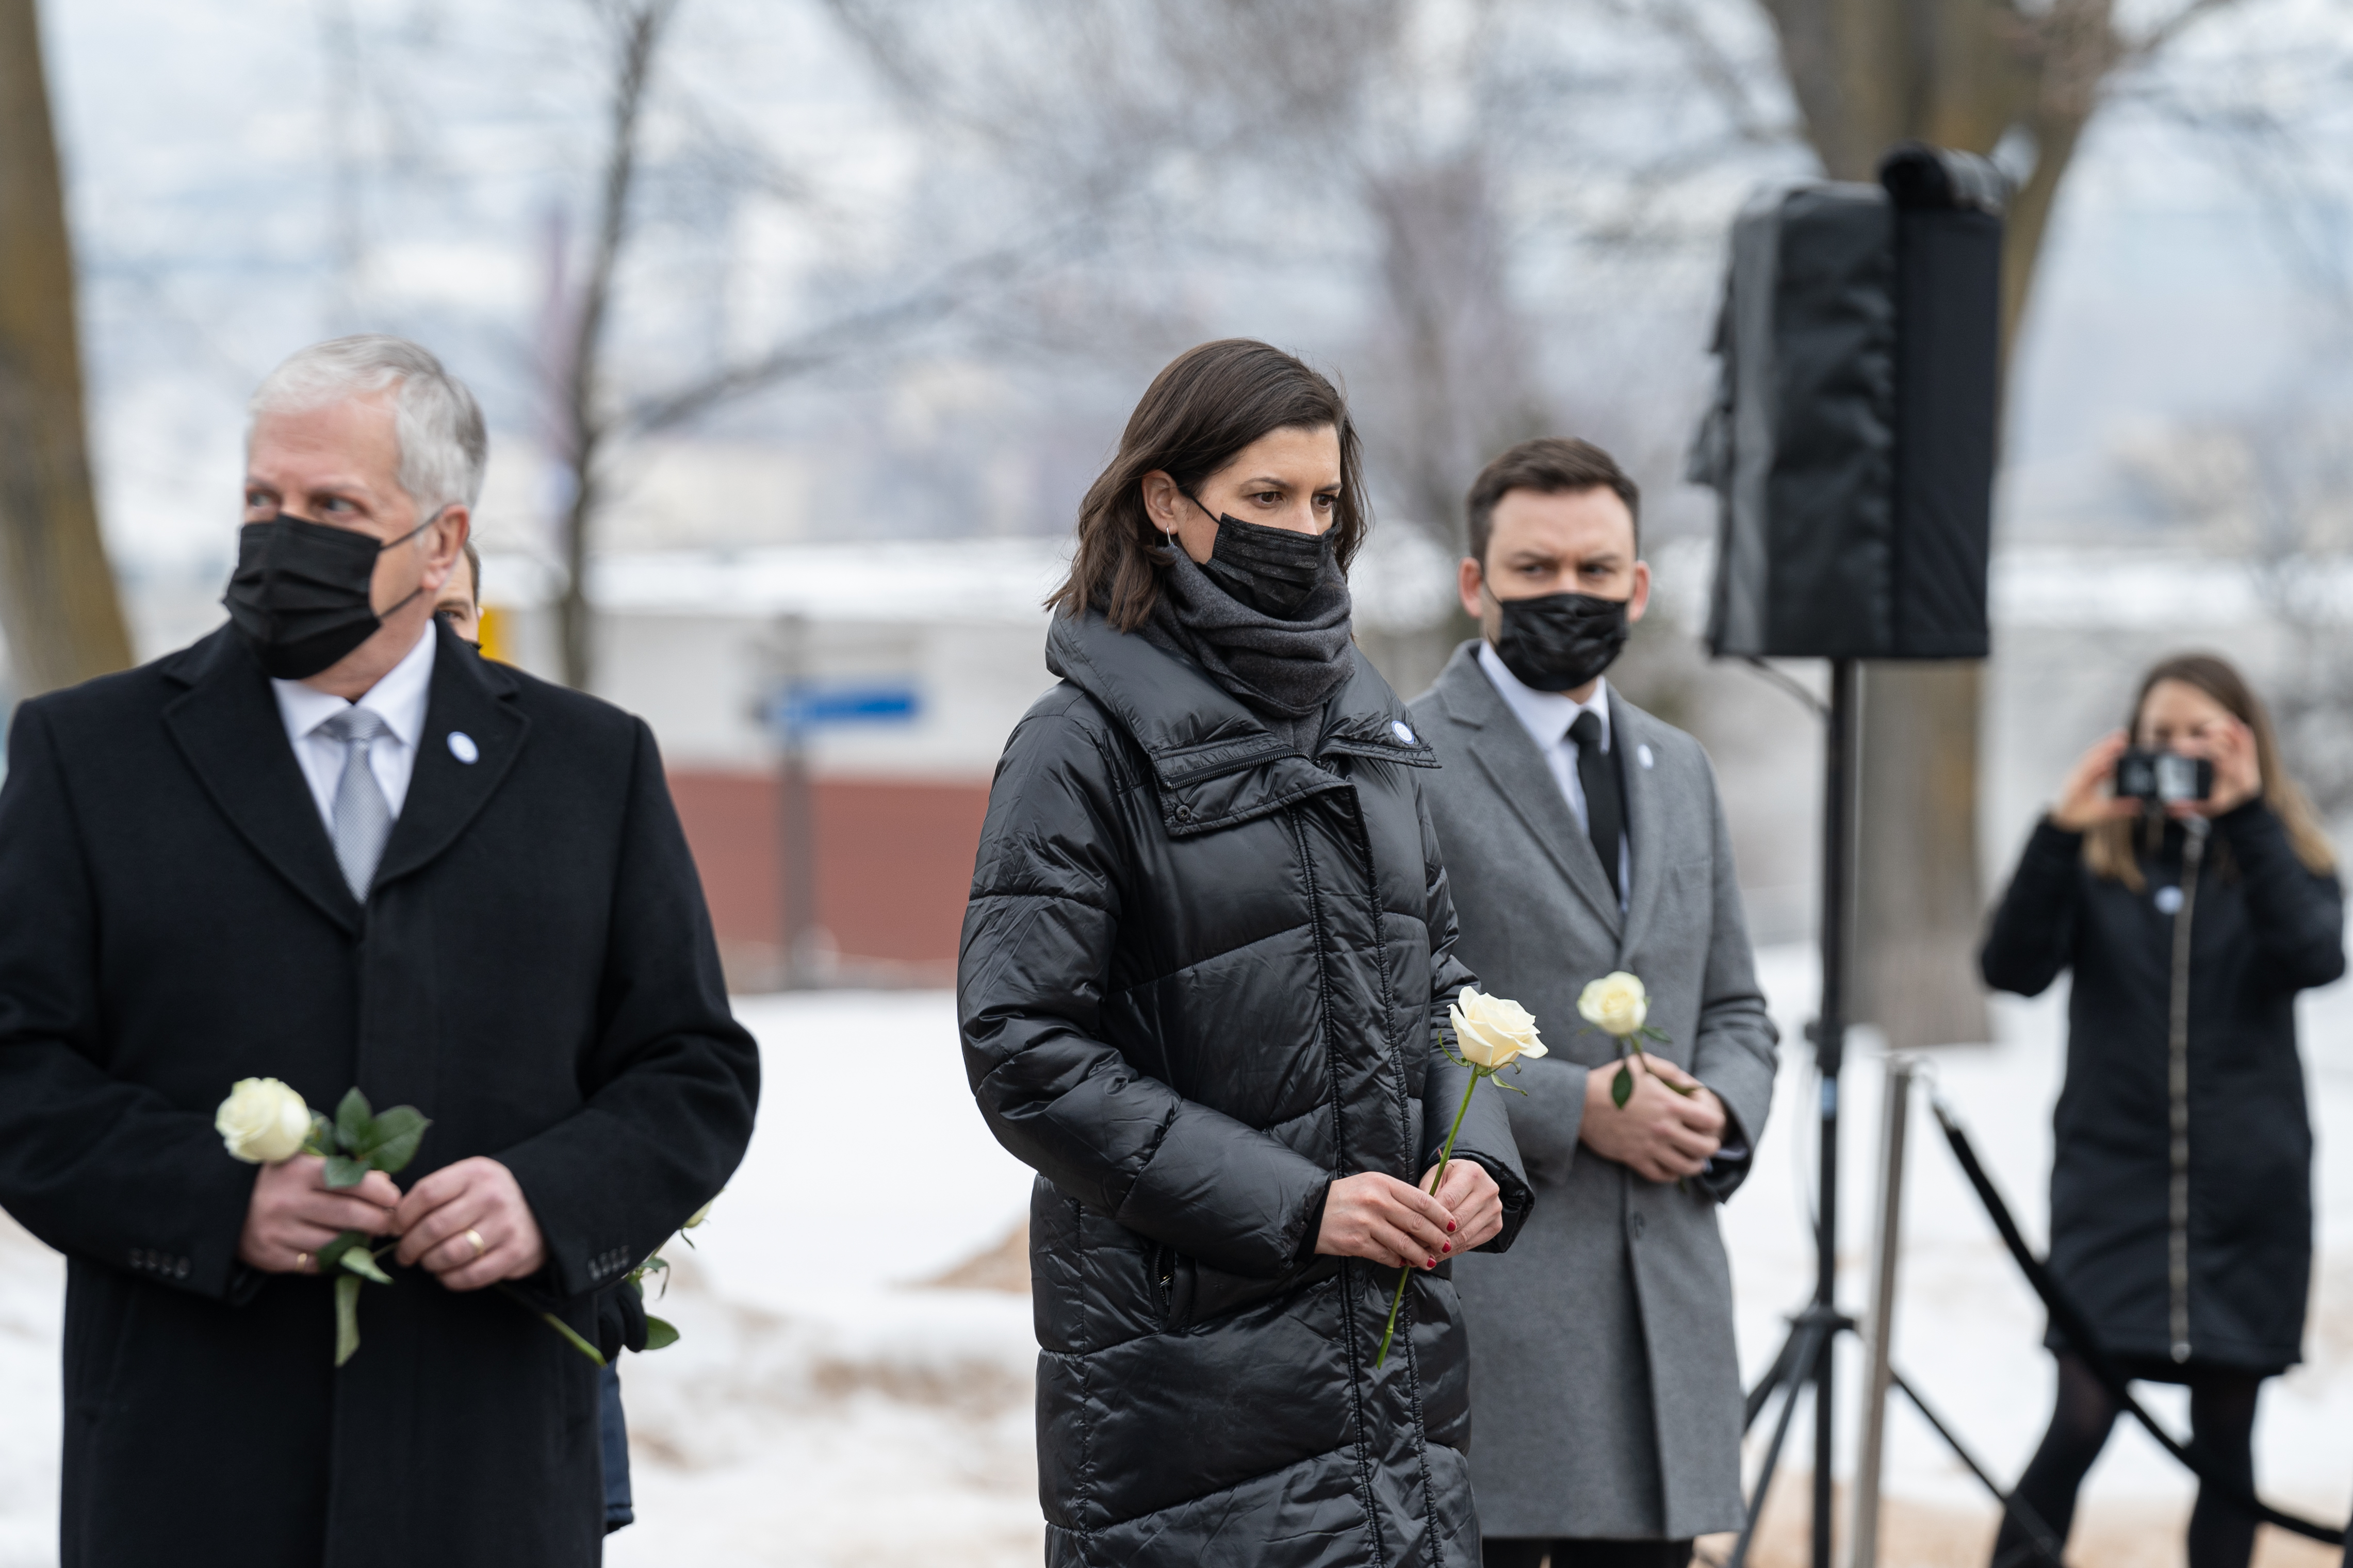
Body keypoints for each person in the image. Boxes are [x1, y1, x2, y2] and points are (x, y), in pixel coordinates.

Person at [0, 334, 760, 1567]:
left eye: (332, 507)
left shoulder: (590, 768)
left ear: (443, 542)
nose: (280, 535)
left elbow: (691, 1069)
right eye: (263, 499)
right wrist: (218, 1199)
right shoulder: (90, 757)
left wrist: (548, 1200)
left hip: (487, 1464)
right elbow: (18, 1069)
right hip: (191, 1466)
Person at [959, 338, 1534, 1568]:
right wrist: (1301, 1208)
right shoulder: (1075, 749)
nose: (1302, 527)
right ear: (1166, 501)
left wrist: (1476, 1150)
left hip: (1397, 1377)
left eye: (1323, 502)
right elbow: (1024, 1052)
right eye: (1265, 498)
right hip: (1189, 1384)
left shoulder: (1368, 735)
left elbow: (1435, 985)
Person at [1408, 438, 1778, 1568]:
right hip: (1507, 1311)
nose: (1567, 594)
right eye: (1534, 569)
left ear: (1638, 585)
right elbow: (1402, 1011)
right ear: (1477, 583)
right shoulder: (1407, 758)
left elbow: (1737, 1005)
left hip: (1664, 1309)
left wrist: (1721, 1108)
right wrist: (1574, 1105)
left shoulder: (1682, 763)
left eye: (1594, 569)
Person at [1981, 653, 2343, 1568]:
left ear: (2242, 742)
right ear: (2124, 748)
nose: (2175, 752)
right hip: (2113, 1190)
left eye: (2199, 734)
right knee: (2078, 1416)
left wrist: (2246, 815)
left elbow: (2312, 957)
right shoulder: (2099, 863)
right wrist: (2061, 829)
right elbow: (2010, 969)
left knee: (2224, 1443)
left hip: (2244, 1200)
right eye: (2156, 735)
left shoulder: (2282, 860)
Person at [434, 536, 639, 1537]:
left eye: (455, 619)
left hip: (534, 1302)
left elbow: (651, 1054)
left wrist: (582, 1207)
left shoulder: (562, 779)